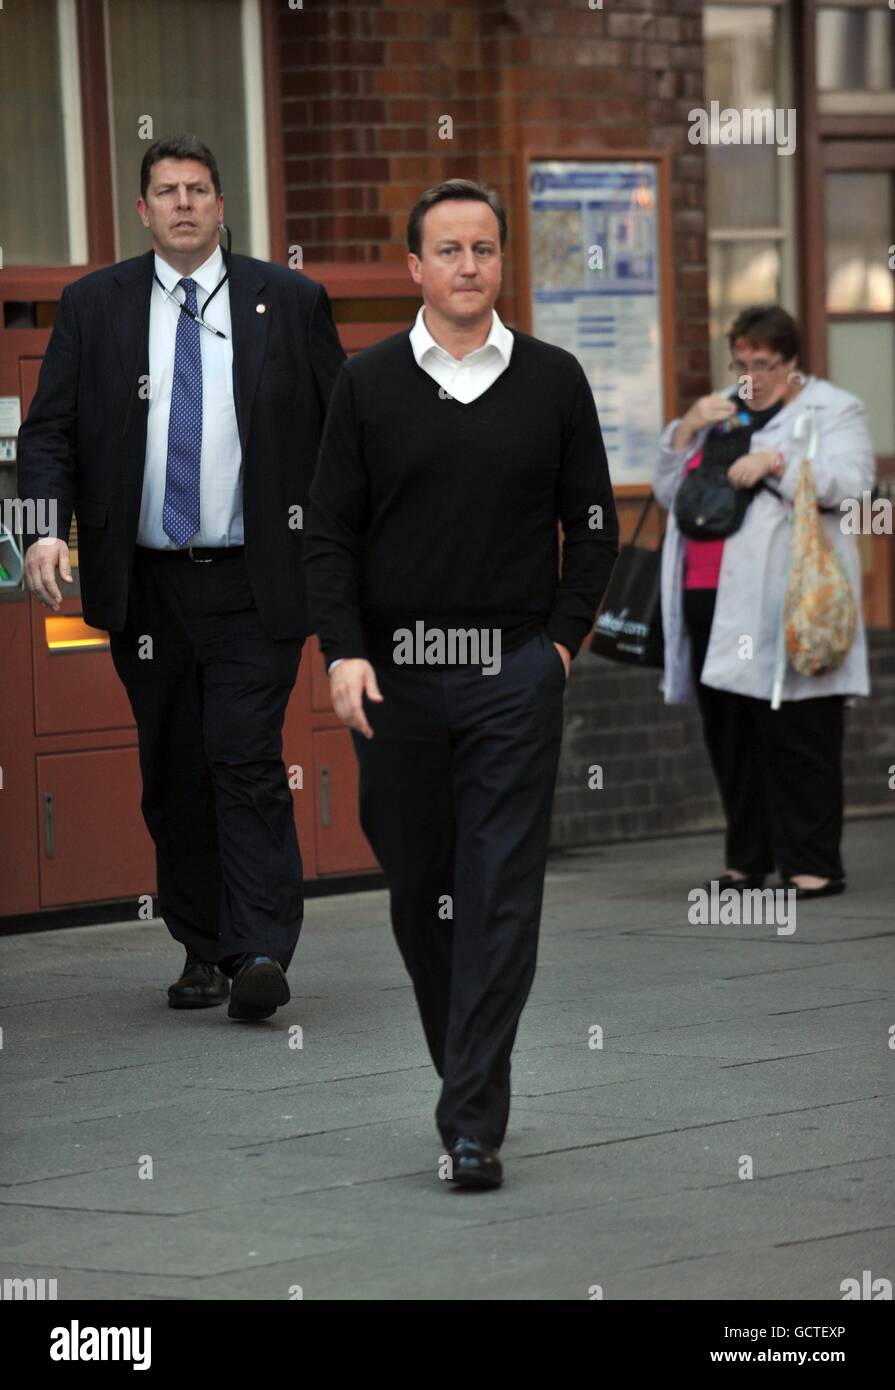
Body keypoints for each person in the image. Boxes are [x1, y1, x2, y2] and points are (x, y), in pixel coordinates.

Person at [304, 179, 618, 1188]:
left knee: (498, 896)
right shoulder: (369, 383)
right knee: (420, 895)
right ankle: (466, 1075)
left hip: (510, 674)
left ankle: (472, 1118)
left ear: (501, 263)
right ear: (415, 267)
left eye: (484, 248)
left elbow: (596, 527)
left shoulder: (554, 380)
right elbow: (331, 535)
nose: (468, 266)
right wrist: (344, 652)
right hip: (398, 680)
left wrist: (558, 650)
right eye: (448, 250)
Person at [17, 135, 345, 1017]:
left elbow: (340, 437)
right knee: (174, 769)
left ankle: (260, 951)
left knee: (242, 756)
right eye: (167, 192)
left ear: (223, 204)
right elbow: (47, 432)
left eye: (199, 189)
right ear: (142, 210)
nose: (184, 204)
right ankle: (204, 946)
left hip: (255, 579)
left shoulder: (291, 300)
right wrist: (44, 529)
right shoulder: (94, 306)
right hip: (148, 583)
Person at [653, 305, 875, 900]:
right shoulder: (722, 411)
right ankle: (746, 862)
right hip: (708, 597)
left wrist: (779, 462)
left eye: (764, 364)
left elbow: (853, 485)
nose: (751, 376)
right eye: (741, 362)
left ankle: (814, 863)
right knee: (731, 738)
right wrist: (684, 429)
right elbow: (671, 491)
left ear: (792, 361)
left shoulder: (833, 409)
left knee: (799, 735)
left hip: (785, 600)